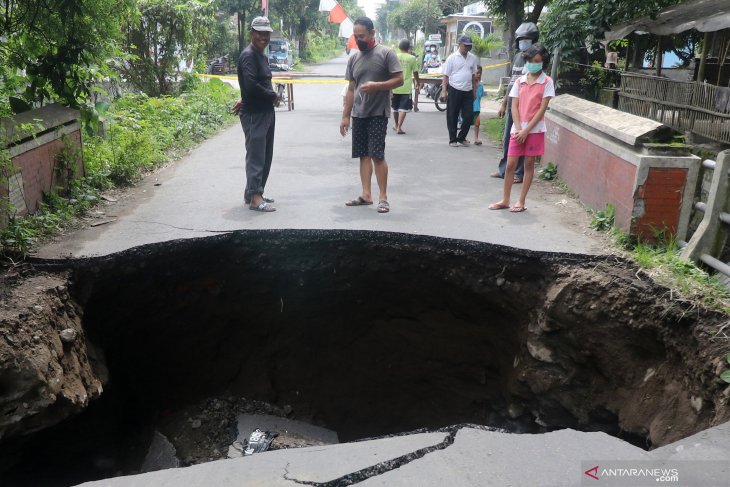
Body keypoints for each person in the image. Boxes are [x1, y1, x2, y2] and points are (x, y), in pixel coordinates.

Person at [340, 17, 403, 214]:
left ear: (372, 33)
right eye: (356, 36)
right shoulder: (354, 58)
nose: (359, 40)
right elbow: (351, 89)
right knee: (363, 155)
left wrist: (377, 86)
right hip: (359, 114)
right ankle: (366, 195)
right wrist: (345, 116)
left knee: (377, 155)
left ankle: (383, 198)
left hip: (378, 112)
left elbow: (399, 80)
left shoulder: (386, 53)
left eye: (362, 36)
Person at [489, 43, 554, 213]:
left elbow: (542, 109)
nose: (534, 63)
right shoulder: (520, 81)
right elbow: (514, 106)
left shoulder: (547, 82)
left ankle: (521, 201)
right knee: (510, 165)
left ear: (543, 62)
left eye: (537, 61)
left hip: (535, 129)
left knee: (528, 164)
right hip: (517, 129)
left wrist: (527, 130)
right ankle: (505, 199)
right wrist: (518, 129)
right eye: (531, 60)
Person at [232, 16, 279, 212]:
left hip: (265, 111)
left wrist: (245, 97)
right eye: (260, 33)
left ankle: (253, 192)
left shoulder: (261, 55)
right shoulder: (248, 55)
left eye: (266, 33)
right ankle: (256, 199)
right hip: (255, 114)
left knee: (265, 155)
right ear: (252, 33)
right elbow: (251, 85)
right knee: (256, 155)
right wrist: (272, 94)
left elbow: (250, 84)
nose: (264, 37)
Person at [492, 22, 540, 183]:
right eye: (521, 39)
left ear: (533, 40)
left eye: (525, 39)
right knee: (508, 139)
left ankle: (518, 173)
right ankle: (504, 170)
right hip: (513, 105)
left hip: (525, 107)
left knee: (521, 139)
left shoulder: (536, 59)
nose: (522, 42)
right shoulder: (518, 57)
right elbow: (512, 83)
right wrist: (504, 103)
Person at [441, 34, 479, 147]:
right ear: (459, 45)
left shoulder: (472, 58)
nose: (467, 48)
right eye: (465, 46)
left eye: (469, 46)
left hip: (468, 90)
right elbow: (445, 76)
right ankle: (452, 139)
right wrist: (444, 91)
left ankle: (461, 137)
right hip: (454, 89)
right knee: (452, 114)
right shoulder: (452, 58)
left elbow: (473, 75)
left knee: (468, 116)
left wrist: (474, 91)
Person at [391, 39, 420, 135]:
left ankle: (395, 124)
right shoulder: (412, 58)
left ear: (399, 47)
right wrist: (417, 82)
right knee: (403, 108)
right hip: (406, 87)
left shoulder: (395, 57)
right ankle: (399, 127)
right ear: (409, 48)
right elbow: (415, 72)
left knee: (395, 107)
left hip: (395, 85)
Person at [470, 66, 484, 145]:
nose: (478, 75)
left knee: (477, 124)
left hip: (477, 108)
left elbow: (480, 97)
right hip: (468, 108)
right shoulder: (469, 85)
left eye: (480, 73)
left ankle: (476, 138)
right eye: (477, 73)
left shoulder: (481, 86)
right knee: (466, 123)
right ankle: (463, 137)